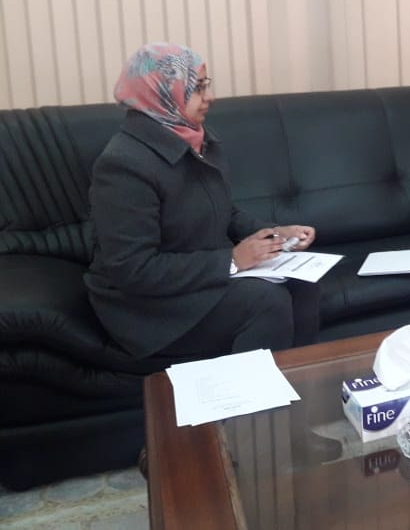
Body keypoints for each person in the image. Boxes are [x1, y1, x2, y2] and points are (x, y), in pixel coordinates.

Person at [86, 43, 320, 361]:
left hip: (199, 280)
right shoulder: (124, 164)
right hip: (148, 308)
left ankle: (300, 381)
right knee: (266, 302)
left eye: (205, 85)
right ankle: (253, 395)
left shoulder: (197, 139)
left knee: (303, 284)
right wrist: (231, 260)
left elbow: (224, 212)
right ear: (162, 93)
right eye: (197, 88)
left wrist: (275, 235)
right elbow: (133, 269)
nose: (210, 97)